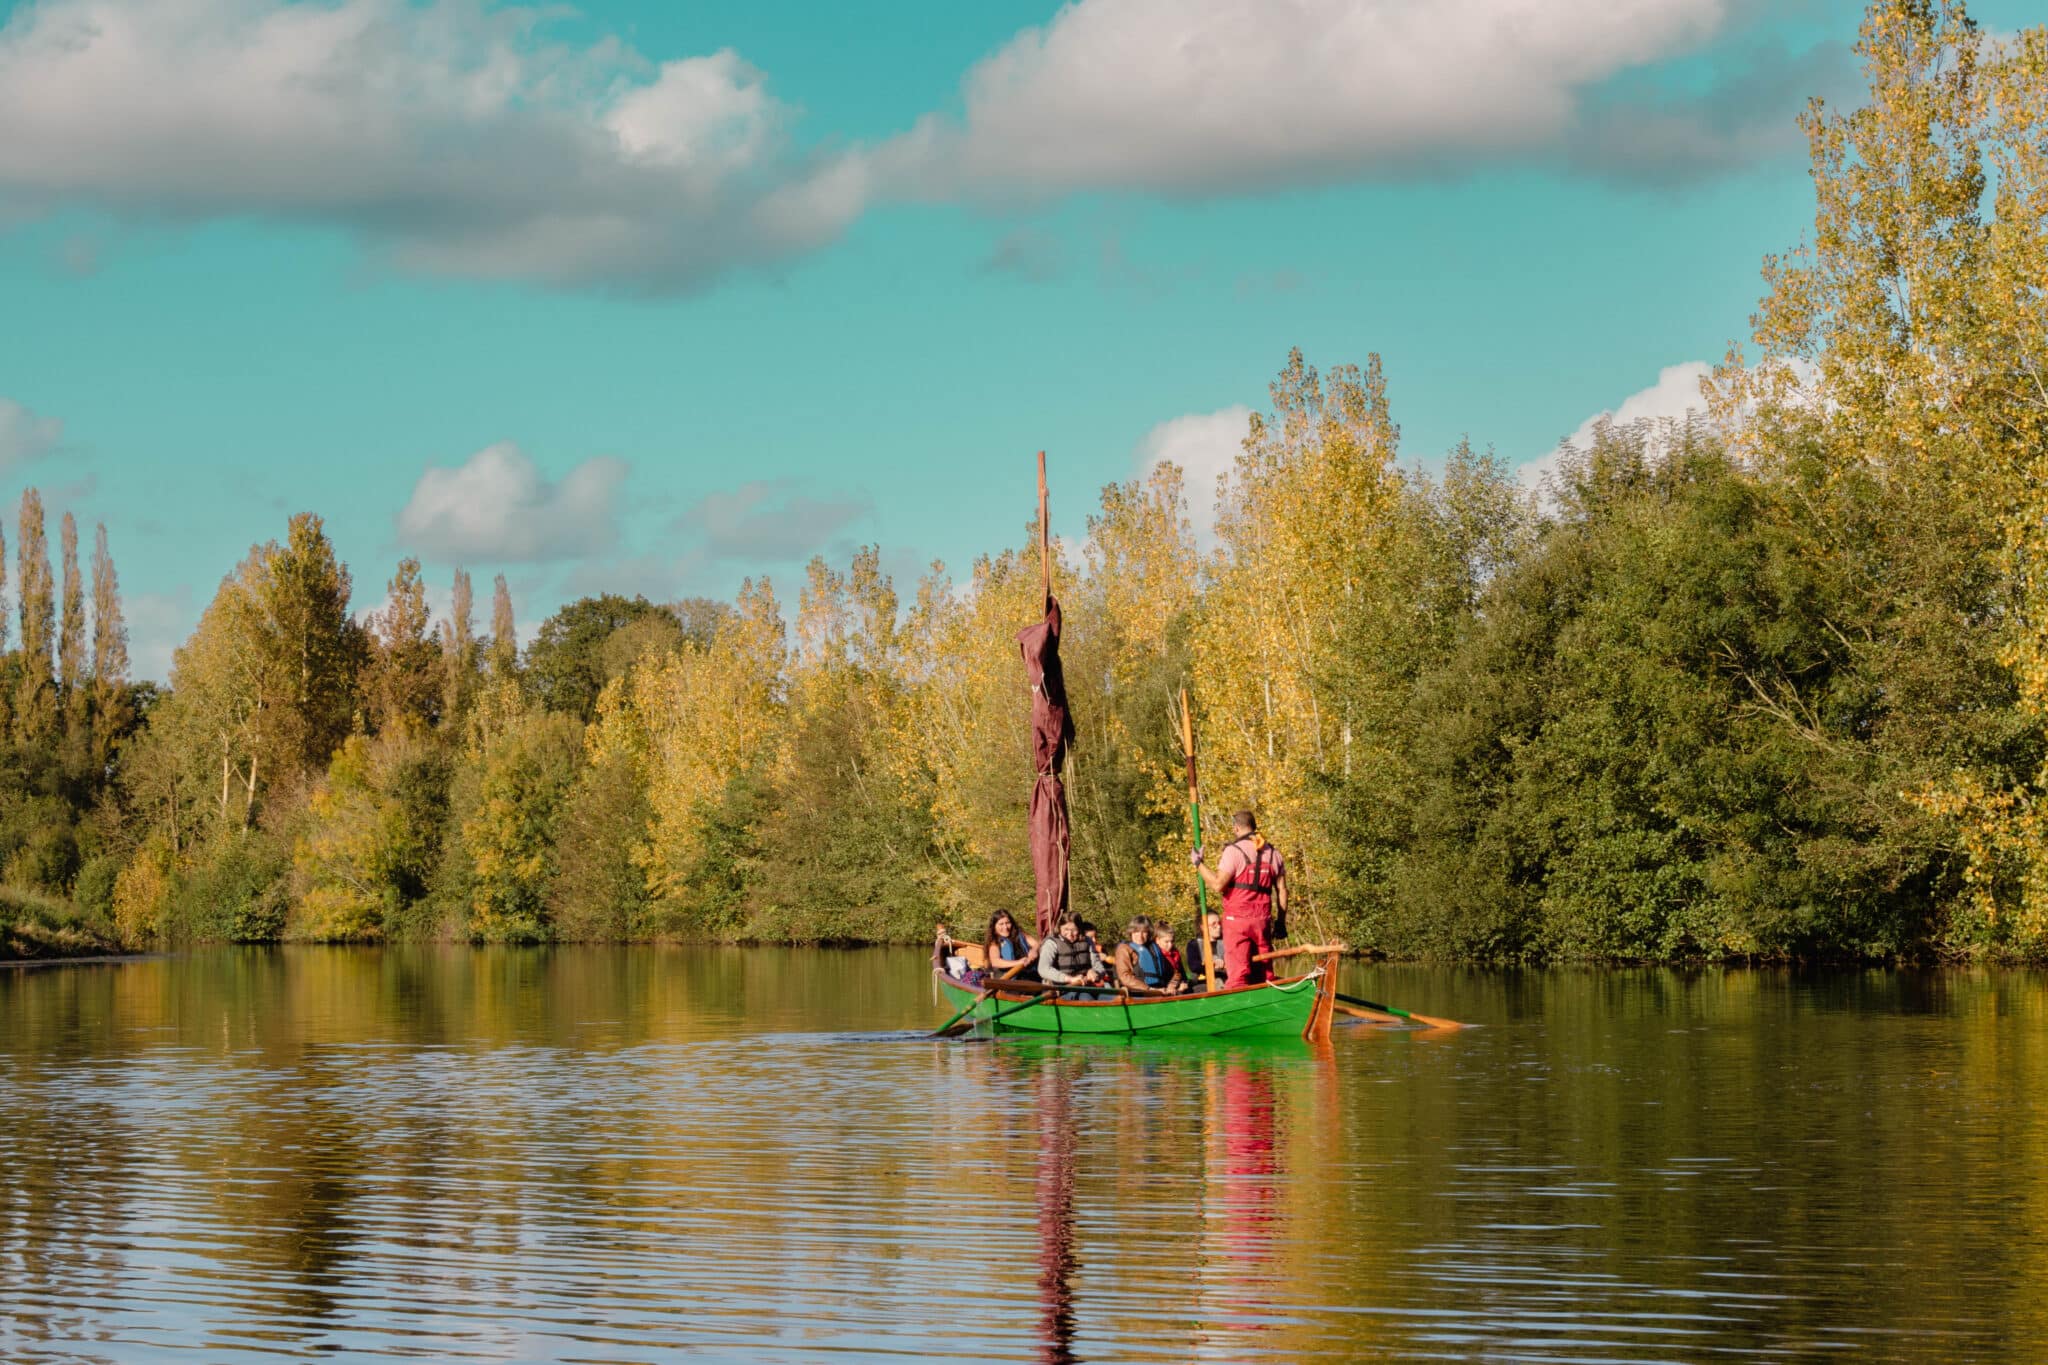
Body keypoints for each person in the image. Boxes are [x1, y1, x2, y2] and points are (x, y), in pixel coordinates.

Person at [1191, 810, 1287, 988]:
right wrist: (1281, 922)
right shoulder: (1273, 853)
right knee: (1265, 971)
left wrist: (1199, 864)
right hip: (1263, 922)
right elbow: (1282, 890)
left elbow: (1218, 884)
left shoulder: (1233, 851)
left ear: (1236, 828)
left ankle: (1236, 1003)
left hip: (1237, 923)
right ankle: (1267, 996)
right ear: (1254, 826)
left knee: (1238, 975)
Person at [1113, 916, 1186, 994]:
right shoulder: (1124, 949)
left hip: (1160, 990)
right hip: (1138, 993)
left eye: (1144, 932)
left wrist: (1172, 985)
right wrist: (1149, 989)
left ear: (1149, 933)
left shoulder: (1154, 947)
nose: (1140, 936)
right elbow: (1125, 977)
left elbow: (1175, 972)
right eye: (1136, 931)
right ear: (1131, 932)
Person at [1038, 914, 1106, 987]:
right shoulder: (1051, 943)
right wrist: (1069, 979)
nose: (1070, 934)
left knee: (1112, 998)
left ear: (1080, 929)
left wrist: (1095, 973)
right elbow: (1043, 969)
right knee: (1085, 997)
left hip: (1087, 986)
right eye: (1066, 929)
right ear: (1059, 928)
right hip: (1061, 988)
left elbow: (1099, 967)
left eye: (1074, 930)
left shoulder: (1088, 941)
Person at [984, 910, 1039, 977]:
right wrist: (1018, 962)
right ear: (994, 926)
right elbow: (995, 962)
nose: (1005, 927)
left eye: (1008, 923)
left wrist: (1034, 950)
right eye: (1001, 924)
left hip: (1028, 974)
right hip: (1008, 978)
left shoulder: (1020, 934)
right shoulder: (994, 942)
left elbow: (1037, 944)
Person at [1183, 911, 1224, 989]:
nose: (1218, 926)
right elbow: (1194, 966)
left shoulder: (1226, 942)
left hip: (1225, 980)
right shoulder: (1194, 945)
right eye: (1214, 924)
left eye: (1219, 923)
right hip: (1203, 983)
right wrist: (1212, 963)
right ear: (1203, 927)